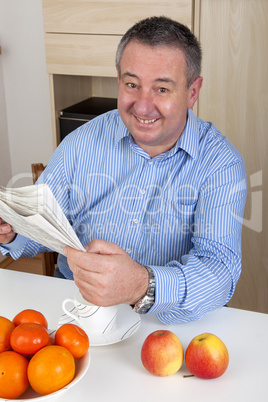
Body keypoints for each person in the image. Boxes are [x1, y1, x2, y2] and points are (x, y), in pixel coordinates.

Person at [0, 16, 247, 324]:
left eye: (161, 89)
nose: (142, 107)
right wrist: (11, 229)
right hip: (75, 312)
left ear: (192, 92)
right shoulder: (81, 142)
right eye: (132, 85)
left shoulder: (221, 164)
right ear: (118, 82)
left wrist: (142, 285)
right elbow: (41, 229)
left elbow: (219, 271)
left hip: (166, 324)